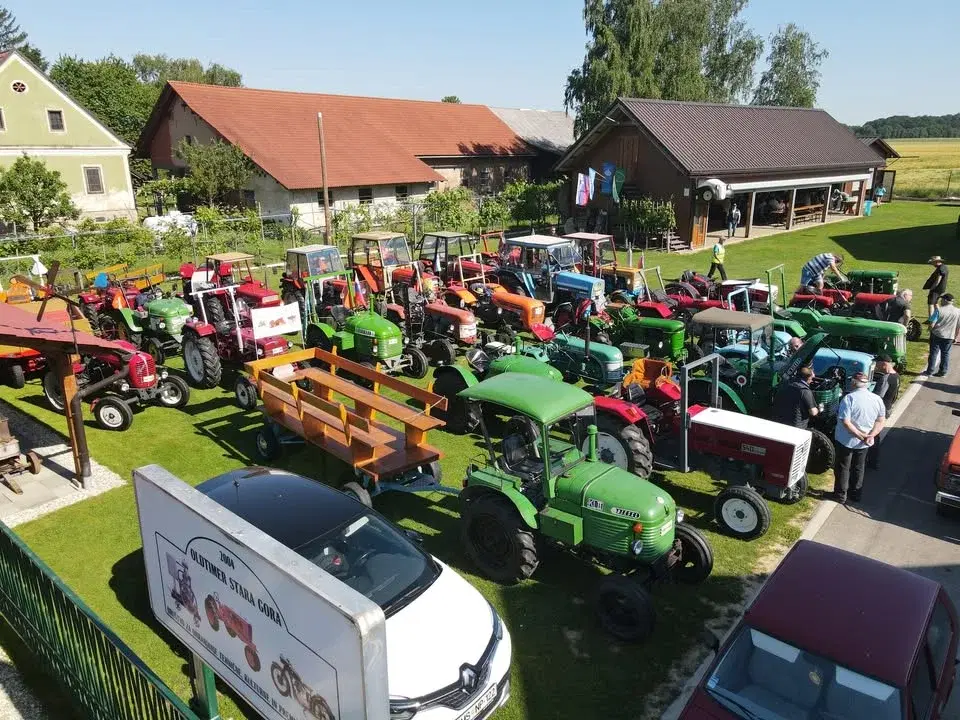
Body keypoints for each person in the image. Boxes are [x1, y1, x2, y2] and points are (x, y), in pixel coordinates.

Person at [833, 372, 886, 503]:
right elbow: (880, 420)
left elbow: (846, 422)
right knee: (859, 467)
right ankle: (856, 494)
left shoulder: (849, 398)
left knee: (843, 467)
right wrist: (871, 435)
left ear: (854, 383)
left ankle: (840, 495)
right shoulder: (877, 399)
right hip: (865, 442)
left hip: (846, 440)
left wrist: (860, 436)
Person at [867, 354, 899, 469]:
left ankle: (872, 461)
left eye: (878, 364)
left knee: (873, 435)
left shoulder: (885, 378)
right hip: (888, 407)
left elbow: (878, 396)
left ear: (884, 364)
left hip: (880, 411)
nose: (876, 366)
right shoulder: (896, 376)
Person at [925, 293, 960, 377]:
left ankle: (930, 371)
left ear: (945, 300)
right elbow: (958, 326)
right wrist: (956, 337)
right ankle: (943, 371)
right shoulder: (958, 311)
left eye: (942, 299)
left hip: (937, 334)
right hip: (949, 336)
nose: (940, 301)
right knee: (945, 354)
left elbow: (932, 323)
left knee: (933, 353)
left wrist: (930, 329)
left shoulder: (939, 310)